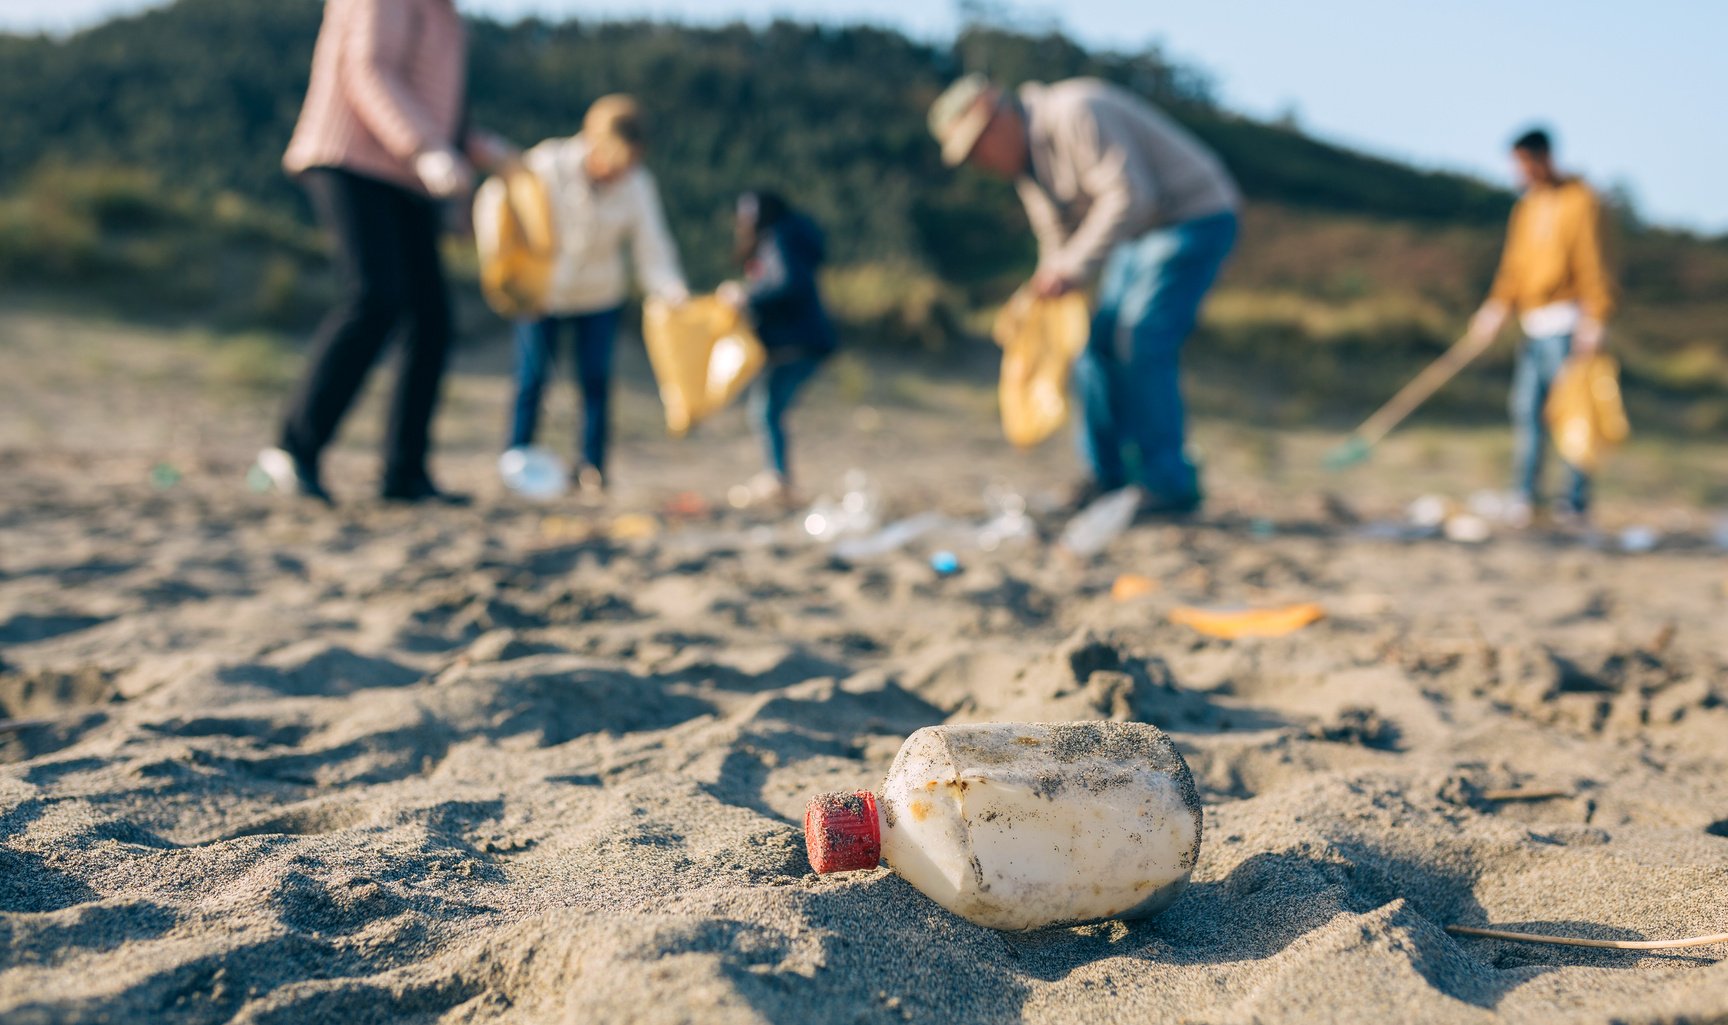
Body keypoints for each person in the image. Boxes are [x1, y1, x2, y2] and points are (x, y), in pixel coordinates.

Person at [927, 74, 1239, 516]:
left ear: (996, 119)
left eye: (977, 148)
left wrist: (1071, 269)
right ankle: (1105, 476)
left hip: (1194, 216)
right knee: (1093, 349)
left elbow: (1129, 195)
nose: (980, 162)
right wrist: (1043, 288)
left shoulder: (1076, 109)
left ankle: (1168, 483)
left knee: (1141, 337)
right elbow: (1055, 238)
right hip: (1139, 236)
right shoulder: (1028, 166)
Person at [259, 0, 512, 505]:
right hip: (350, 158)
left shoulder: (448, 17)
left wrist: (478, 154)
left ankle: (405, 473)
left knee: (431, 318)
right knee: (375, 296)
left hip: (407, 176)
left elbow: (440, 106)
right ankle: (293, 451)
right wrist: (426, 150)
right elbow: (368, 71)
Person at [504, 95, 689, 497]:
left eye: (629, 163)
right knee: (531, 378)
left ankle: (592, 469)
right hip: (542, 296)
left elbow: (652, 247)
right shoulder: (545, 165)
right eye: (615, 161)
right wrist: (514, 285)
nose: (620, 172)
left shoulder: (638, 184)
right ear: (593, 142)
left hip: (599, 296)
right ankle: (517, 462)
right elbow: (507, 221)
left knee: (595, 383)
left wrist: (671, 291)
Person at [1465, 128, 1616, 525]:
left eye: (1524, 163)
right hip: (1532, 325)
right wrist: (1495, 308)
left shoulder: (1581, 200)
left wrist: (1595, 317)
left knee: (1571, 414)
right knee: (1526, 412)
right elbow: (1513, 269)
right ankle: (1526, 496)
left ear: (1543, 158)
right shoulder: (1526, 208)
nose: (1519, 173)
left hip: (1569, 322)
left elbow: (1592, 263)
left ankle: (1575, 502)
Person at [718, 191, 838, 505]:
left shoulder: (778, 239)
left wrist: (747, 296)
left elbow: (786, 284)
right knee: (769, 409)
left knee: (766, 409)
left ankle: (778, 479)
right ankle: (779, 478)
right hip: (803, 341)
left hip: (795, 342)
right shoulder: (788, 238)